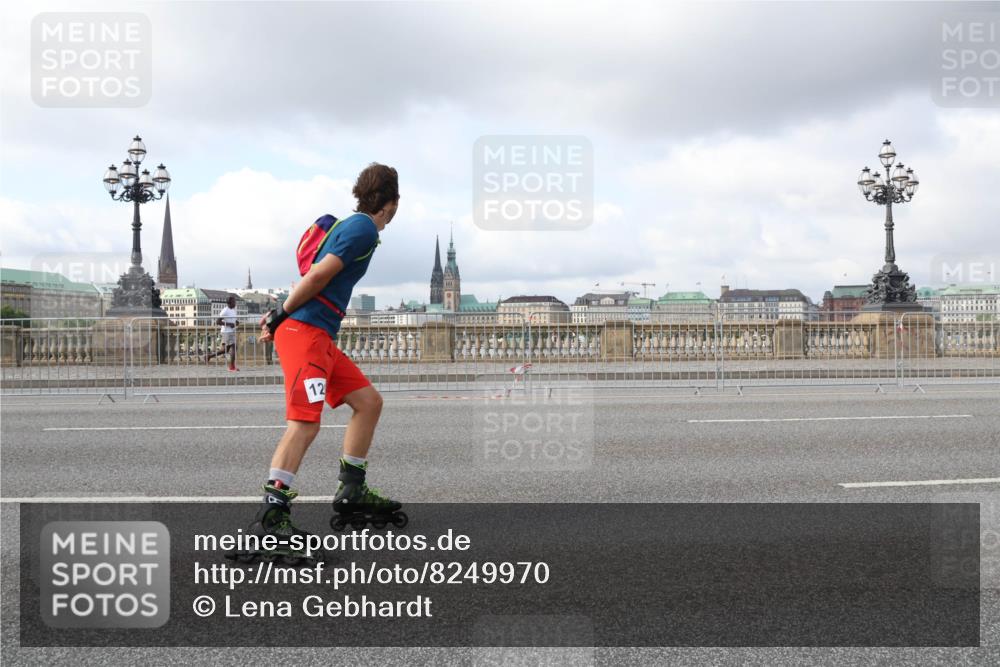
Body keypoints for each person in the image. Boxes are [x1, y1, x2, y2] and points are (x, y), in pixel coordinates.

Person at [252, 163, 405, 554]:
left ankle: (352, 489)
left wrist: (281, 315)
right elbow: (320, 275)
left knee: (368, 402)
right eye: (396, 203)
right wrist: (281, 313)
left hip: (317, 335)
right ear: (391, 203)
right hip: (305, 333)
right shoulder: (363, 228)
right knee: (304, 424)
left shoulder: (356, 228)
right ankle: (272, 516)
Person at [206, 295, 239, 371]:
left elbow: (232, 320)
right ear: (230, 302)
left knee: (225, 350)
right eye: (234, 301)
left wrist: (236, 322)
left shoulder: (233, 310)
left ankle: (209, 356)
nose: (235, 303)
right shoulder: (225, 310)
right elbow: (218, 321)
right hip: (227, 332)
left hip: (230, 331)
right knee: (234, 347)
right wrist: (229, 324)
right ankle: (232, 367)